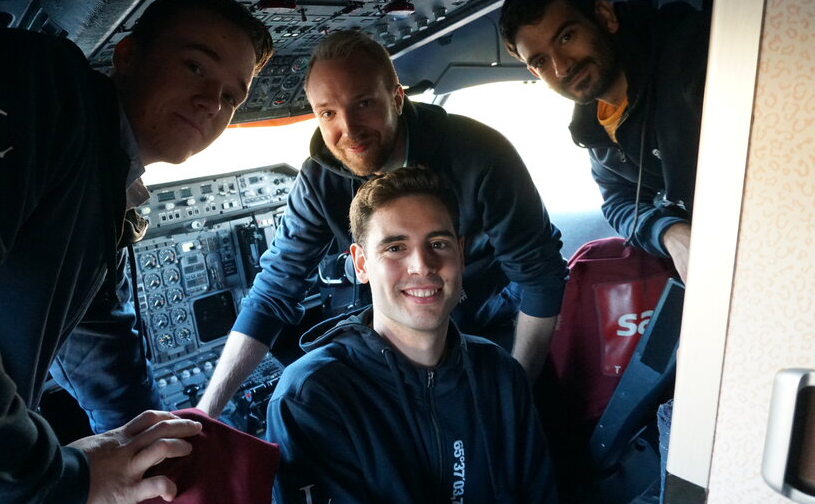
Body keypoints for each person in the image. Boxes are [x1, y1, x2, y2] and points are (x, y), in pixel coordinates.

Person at [0, 0, 273, 504]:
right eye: (195, 67)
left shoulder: (101, 186)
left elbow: (99, 336)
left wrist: (152, 453)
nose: (213, 102)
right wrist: (52, 483)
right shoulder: (32, 81)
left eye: (233, 97)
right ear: (127, 56)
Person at [198, 30, 567, 417]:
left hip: (485, 319)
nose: (349, 130)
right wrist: (207, 410)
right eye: (328, 113)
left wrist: (517, 394)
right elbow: (275, 288)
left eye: (364, 104)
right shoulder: (321, 180)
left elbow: (539, 275)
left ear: (396, 97)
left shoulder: (480, 154)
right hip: (395, 330)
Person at [266, 166, 557, 504]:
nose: (422, 265)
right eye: (395, 248)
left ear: (460, 254)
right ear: (360, 264)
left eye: (438, 243)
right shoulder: (312, 396)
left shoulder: (500, 373)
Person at [499, 0, 710, 282]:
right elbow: (617, 201)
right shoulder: (593, 128)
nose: (562, 66)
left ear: (604, 17)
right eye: (542, 61)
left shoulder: (691, 56)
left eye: (566, 37)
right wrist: (670, 232)